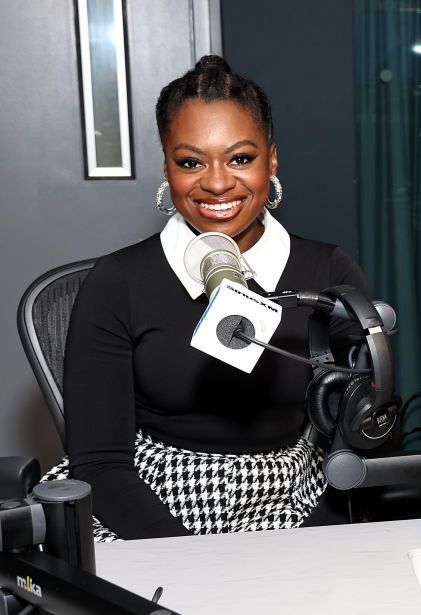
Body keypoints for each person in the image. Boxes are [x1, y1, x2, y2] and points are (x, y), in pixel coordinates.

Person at [54, 56, 371, 540]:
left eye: (240, 158)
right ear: (167, 167)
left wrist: (311, 543)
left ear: (272, 160)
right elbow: (99, 464)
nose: (218, 183)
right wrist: (191, 560)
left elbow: (364, 434)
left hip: (290, 497)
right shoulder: (117, 282)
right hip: (147, 499)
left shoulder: (328, 272)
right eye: (191, 162)